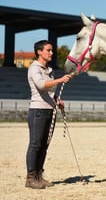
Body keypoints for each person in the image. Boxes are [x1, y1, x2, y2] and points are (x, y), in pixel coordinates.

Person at [25, 40, 72, 189]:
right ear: (39, 52)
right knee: (35, 145)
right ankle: (31, 178)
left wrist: (57, 100)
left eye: (51, 50)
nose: (51, 53)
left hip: (49, 111)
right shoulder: (34, 68)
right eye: (48, 50)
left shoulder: (49, 70)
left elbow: (48, 91)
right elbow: (41, 85)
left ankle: (39, 175)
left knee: (44, 146)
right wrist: (60, 80)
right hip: (38, 111)